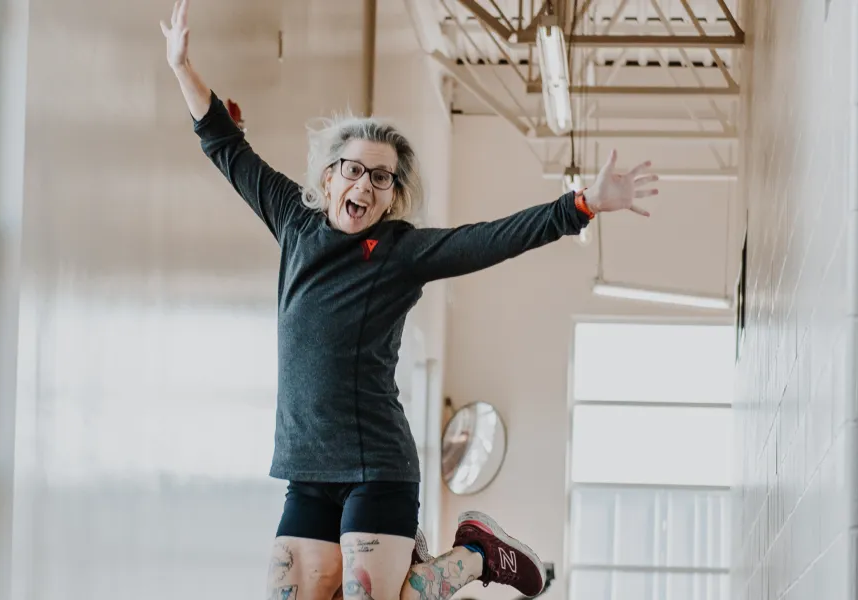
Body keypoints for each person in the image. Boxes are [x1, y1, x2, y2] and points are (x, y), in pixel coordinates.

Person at [158, 1, 660, 599]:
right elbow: (225, 145)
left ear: (392, 196)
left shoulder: (401, 252)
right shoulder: (293, 219)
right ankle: (473, 554)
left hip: (377, 466)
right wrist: (181, 65)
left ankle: (477, 555)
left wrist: (579, 205)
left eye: (382, 178)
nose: (365, 185)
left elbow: (489, 240)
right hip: (308, 470)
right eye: (354, 170)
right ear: (329, 177)